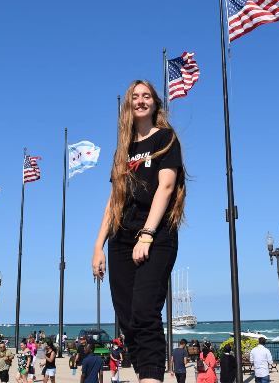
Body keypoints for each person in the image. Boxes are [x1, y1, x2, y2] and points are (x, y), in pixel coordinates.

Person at [92, 80, 186, 383]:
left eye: (147, 96)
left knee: (145, 310)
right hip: (120, 237)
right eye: (136, 97)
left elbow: (166, 187)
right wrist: (98, 246)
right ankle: (145, 373)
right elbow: (113, 201)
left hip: (156, 234)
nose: (141, 101)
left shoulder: (165, 139)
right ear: (129, 105)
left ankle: (152, 377)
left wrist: (147, 234)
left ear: (155, 103)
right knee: (128, 318)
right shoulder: (123, 150)